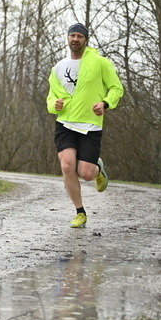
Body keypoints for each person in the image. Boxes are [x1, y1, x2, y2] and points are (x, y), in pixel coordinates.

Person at [46, 23, 124, 228]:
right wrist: (54, 104)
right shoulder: (58, 67)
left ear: (86, 40)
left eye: (80, 36)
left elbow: (116, 88)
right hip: (65, 122)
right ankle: (80, 212)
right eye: (72, 35)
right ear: (67, 38)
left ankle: (98, 169)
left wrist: (105, 103)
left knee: (86, 173)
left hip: (90, 124)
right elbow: (50, 98)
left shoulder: (100, 63)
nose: (75, 39)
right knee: (67, 165)